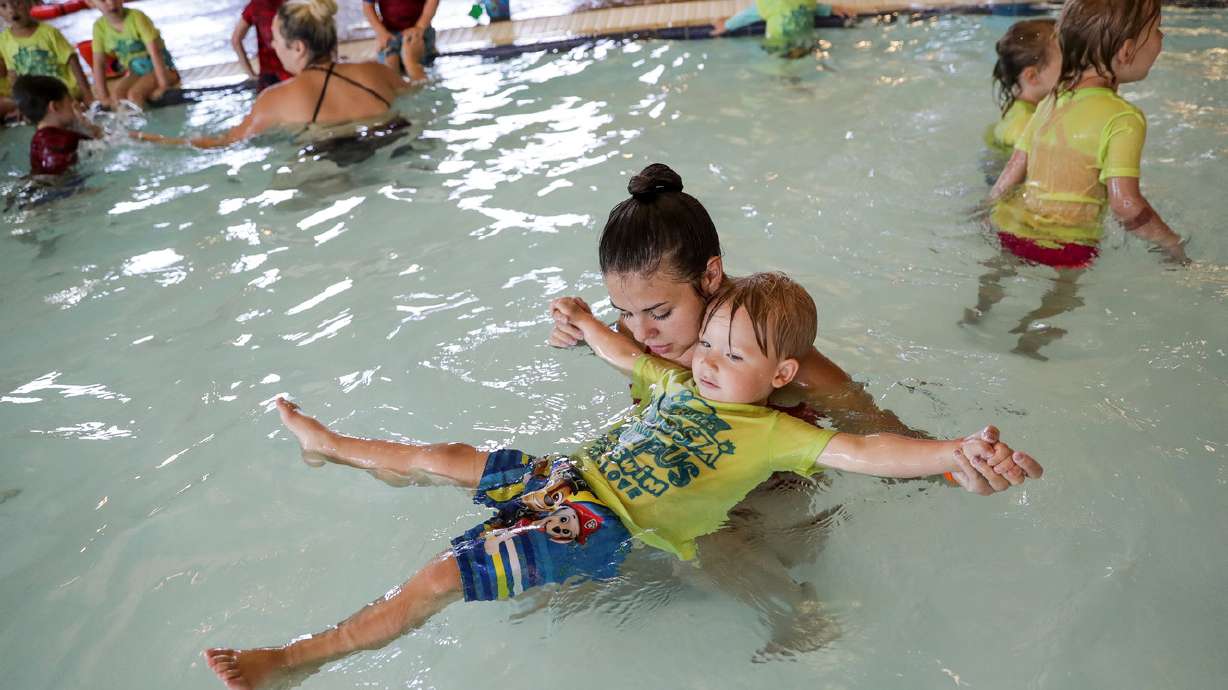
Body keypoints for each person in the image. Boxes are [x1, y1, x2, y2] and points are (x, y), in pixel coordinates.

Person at [202, 272, 1041, 689]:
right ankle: (332, 445)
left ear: (782, 372)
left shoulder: (777, 433)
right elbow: (622, 350)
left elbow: (869, 454)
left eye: (732, 355)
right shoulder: (683, 379)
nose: (707, 362)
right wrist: (581, 321)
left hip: (595, 525)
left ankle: (295, 661)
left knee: (440, 576)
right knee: (442, 457)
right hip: (566, 478)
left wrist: (950, 451)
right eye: (708, 342)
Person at [971, 0, 1187, 359]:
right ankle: (1029, 338)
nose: (1163, 38)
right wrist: (1171, 244)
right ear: (1127, 50)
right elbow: (1125, 204)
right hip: (1069, 244)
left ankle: (979, 311)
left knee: (999, 273)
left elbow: (1010, 174)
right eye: (1158, 30)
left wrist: (984, 212)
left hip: (1013, 228)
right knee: (1063, 295)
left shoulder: (1049, 101)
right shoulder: (1123, 117)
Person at [130, 0, 413, 149]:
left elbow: (222, 143)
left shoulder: (275, 99)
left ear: (298, 48)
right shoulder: (377, 72)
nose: (273, 45)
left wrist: (152, 139)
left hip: (330, 160)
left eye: (274, 38)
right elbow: (421, 91)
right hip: (396, 142)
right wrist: (411, 62)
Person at [85, 0, 178, 108]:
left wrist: (163, 85)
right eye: (103, 0)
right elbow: (98, 64)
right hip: (136, 73)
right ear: (90, 2)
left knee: (135, 95)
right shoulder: (99, 27)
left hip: (165, 70)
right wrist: (104, 97)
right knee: (117, 97)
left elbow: (155, 53)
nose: (111, 2)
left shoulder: (136, 17)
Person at [0, 0, 93, 104]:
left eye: (17, 3)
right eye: (3, 6)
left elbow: (72, 60)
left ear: (30, 4)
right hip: (36, 97)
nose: (11, 10)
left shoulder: (49, 32)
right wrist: (19, 104)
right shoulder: (3, 41)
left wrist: (87, 93)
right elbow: (13, 73)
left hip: (62, 91)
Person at [987, 18, 1059, 152]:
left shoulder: (1026, 113)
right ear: (1032, 76)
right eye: (1068, 65)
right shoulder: (1026, 127)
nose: (1078, 68)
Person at [12, 74, 100, 176]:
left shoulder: (36, 141)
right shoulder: (67, 138)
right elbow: (103, 143)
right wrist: (88, 126)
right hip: (68, 189)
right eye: (70, 100)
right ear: (55, 106)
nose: (75, 104)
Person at [710, 1, 854, 58]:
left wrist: (725, 25)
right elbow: (814, 8)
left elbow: (745, 17)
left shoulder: (769, 3)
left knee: (782, 72)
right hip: (806, 45)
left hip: (777, 47)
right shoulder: (807, 2)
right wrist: (832, 9)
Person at [362, 0, 437, 81]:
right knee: (390, 64)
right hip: (389, 33)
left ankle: (421, 65)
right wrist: (381, 32)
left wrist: (420, 26)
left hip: (420, 30)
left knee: (422, 63)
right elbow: (368, 6)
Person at [232, 0, 291, 92]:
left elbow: (236, 40)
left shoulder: (256, 4)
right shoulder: (297, 5)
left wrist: (251, 75)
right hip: (294, 76)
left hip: (268, 79)